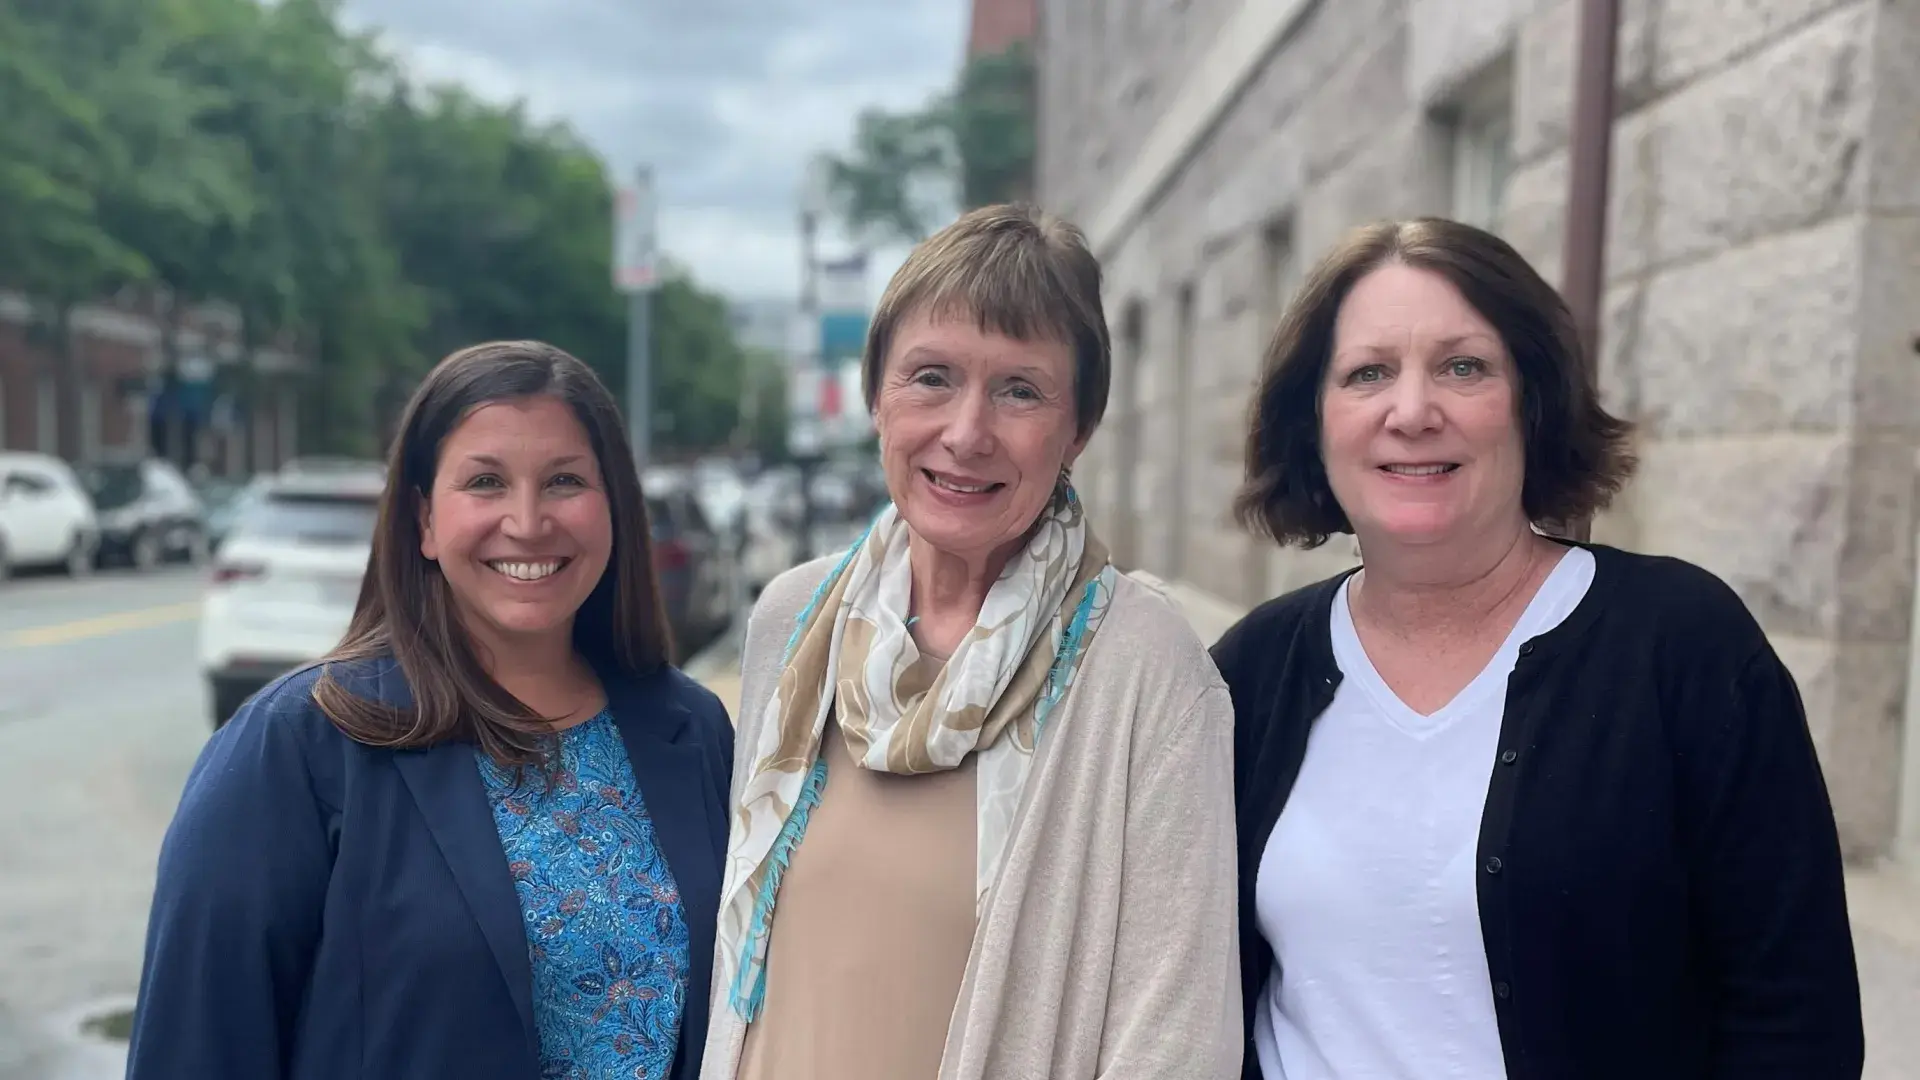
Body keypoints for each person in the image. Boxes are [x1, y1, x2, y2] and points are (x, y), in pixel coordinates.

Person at [1212, 217, 1865, 1080]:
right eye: (1368, 373)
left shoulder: (1683, 648)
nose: (1413, 411)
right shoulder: (1251, 673)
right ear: (1314, 422)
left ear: (1534, 399)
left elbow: (1796, 1021)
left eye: (1464, 366)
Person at [699, 204, 1241, 1080]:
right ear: (877, 396)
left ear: (1079, 430)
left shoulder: (1144, 667)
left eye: (1020, 390)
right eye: (931, 378)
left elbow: (1176, 1038)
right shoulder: (796, 623)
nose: (966, 432)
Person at [128, 342, 735, 1080]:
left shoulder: (692, 734)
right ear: (423, 519)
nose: (528, 520)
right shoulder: (295, 748)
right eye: (485, 482)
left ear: (615, 507)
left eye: (565, 481)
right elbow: (196, 1050)